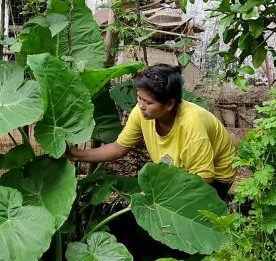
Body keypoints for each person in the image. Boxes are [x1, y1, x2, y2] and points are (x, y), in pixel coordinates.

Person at [66, 64, 236, 200]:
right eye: (139, 98)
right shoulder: (141, 112)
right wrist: (78, 154)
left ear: (169, 105)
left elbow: (205, 179)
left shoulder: (191, 124)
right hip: (178, 173)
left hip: (215, 180)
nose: (141, 105)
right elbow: (119, 148)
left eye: (148, 102)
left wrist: (157, 193)